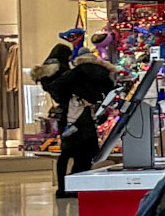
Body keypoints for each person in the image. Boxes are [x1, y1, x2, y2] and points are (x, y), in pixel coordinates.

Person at [39, 38, 117, 200]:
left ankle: (64, 188)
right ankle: (79, 185)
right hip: (86, 117)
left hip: (71, 117)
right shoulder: (102, 72)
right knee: (86, 153)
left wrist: (72, 94)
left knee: (67, 153)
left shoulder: (71, 73)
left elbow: (58, 88)